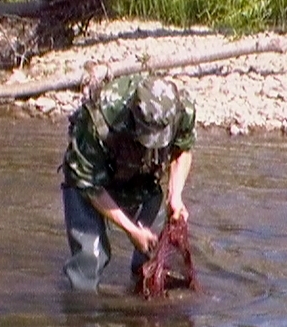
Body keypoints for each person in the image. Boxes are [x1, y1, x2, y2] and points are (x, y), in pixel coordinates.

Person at [59, 73, 196, 293]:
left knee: (152, 255)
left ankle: (141, 287)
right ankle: (83, 318)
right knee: (90, 258)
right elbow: (89, 185)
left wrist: (175, 195)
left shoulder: (182, 110)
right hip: (89, 183)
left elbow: (182, 149)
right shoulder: (99, 118)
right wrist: (131, 230)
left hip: (140, 182)